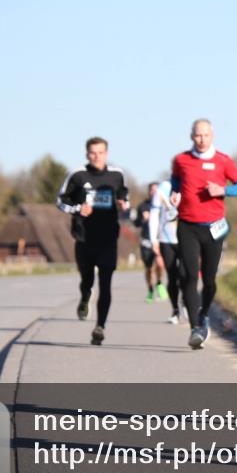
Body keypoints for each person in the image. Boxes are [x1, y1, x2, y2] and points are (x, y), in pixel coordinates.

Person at [170, 119, 237, 349]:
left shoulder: (223, 161)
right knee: (189, 276)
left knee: (210, 279)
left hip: (214, 227)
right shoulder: (181, 160)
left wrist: (222, 189)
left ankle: (204, 314)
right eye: (197, 136)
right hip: (187, 225)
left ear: (212, 135)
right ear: (191, 136)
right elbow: (175, 180)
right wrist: (175, 193)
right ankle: (196, 327)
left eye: (205, 135)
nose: (201, 140)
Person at [56, 137, 130, 345]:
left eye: (100, 152)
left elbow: (124, 195)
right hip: (84, 237)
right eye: (92, 153)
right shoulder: (78, 175)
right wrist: (78, 209)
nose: (97, 157)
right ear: (87, 154)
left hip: (108, 238)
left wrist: (124, 205)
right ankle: (85, 296)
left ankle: (100, 326)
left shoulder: (116, 174)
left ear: (107, 153)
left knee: (106, 284)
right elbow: (60, 200)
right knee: (87, 279)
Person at [149, 169, 182, 324]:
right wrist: (153, 239)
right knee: (172, 276)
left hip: (186, 238)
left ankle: (188, 305)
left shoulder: (190, 185)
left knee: (187, 275)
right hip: (166, 239)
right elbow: (154, 215)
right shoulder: (163, 188)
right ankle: (175, 310)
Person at [134, 182, 166, 304]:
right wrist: (143, 219)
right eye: (152, 190)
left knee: (160, 264)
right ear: (149, 192)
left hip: (159, 240)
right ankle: (150, 290)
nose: (154, 192)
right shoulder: (142, 206)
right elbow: (135, 223)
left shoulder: (163, 205)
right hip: (146, 241)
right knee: (148, 268)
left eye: (156, 190)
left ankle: (158, 283)